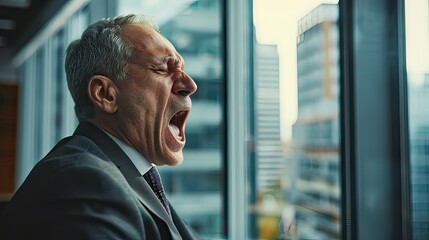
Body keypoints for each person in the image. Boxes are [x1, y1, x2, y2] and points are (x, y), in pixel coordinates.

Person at [0, 13, 199, 240]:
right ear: (105, 94)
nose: (190, 85)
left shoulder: (125, 175)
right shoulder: (82, 179)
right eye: (163, 69)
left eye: (182, 70)